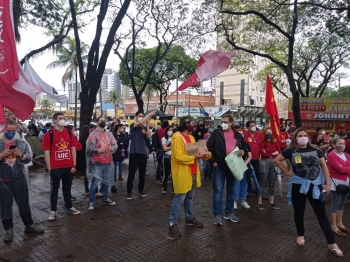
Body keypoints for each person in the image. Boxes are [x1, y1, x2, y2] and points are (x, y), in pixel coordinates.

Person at [274, 128, 344, 257]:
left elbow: (324, 166)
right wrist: (286, 171)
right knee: (299, 212)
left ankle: (332, 243)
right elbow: (277, 160)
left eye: (305, 135)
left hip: (315, 185)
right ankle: (300, 235)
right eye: (300, 136)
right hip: (298, 185)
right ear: (295, 138)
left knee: (321, 214)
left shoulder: (316, 150)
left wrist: (327, 183)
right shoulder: (291, 150)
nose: (303, 138)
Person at [0, 119, 44, 243]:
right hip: (3, 180)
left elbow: (28, 160)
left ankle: (29, 225)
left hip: (19, 178)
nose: (10, 133)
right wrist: (2, 155)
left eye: (13, 131)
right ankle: (8, 230)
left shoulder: (21, 143)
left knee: (23, 203)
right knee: (5, 206)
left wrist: (21, 155)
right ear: (3, 130)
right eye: (8, 130)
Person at [168, 116, 211, 238]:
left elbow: (196, 153)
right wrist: (195, 157)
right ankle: (172, 223)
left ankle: (189, 218)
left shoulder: (191, 137)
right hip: (182, 172)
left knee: (190, 197)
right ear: (186, 124)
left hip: (192, 171)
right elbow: (178, 156)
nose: (194, 124)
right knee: (179, 197)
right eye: (192, 122)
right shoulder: (177, 137)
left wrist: (206, 154)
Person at [42, 113, 81, 221]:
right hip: (56, 167)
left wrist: (74, 163)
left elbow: (73, 148)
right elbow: (46, 151)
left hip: (68, 166)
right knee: (54, 189)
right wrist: (49, 167)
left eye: (64, 118)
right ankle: (53, 210)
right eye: (60, 118)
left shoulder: (69, 133)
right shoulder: (49, 134)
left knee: (67, 187)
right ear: (54, 120)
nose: (63, 120)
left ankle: (69, 206)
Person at [207, 114, 245, 226]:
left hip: (233, 166)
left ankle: (229, 213)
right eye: (222, 121)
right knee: (218, 190)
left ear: (231, 123)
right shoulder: (216, 133)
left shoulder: (238, 135)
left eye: (225, 122)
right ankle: (217, 215)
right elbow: (209, 147)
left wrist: (243, 152)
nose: (223, 123)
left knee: (231, 191)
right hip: (219, 165)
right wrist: (213, 161)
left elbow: (243, 148)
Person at [86, 116, 117, 210]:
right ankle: (91, 201)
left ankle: (105, 198)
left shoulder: (109, 134)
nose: (103, 122)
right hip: (97, 162)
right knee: (95, 183)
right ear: (97, 122)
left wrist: (112, 148)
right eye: (101, 121)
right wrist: (100, 150)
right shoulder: (93, 134)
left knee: (106, 182)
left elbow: (115, 145)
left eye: (104, 121)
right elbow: (90, 149)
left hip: (108, 161)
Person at [126, 110, 155, 199]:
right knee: (131, 173)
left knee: (142, 173)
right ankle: (129, 192)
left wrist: (147, 124)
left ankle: (140, 190)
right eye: (140, 115)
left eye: (142, 116)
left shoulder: (144, 127)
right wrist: (149, 114)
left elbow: (149, 136)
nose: (141, 117)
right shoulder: (132, 125)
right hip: (134, 152)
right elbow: (140, 122)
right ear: (136, 117)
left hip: (143, 152)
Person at [326, 137, 350, 237]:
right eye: (340, 143)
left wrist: (344, 168)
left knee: (342, 203)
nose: (342, 145)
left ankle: (340, 223)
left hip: (346, 182)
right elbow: (340, 170)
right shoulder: (331, 155)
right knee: (336, 202)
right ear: (334, 145)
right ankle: (334, 225)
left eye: (343, 143)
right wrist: (345, 168)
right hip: (336, 183)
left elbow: (343, 169)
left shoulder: (346, 155)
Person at [257, 128, 281, 210]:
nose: (269, 134)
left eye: (270, 132)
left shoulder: (275, 142)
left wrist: (270, 154)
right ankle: (259, 202)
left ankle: (271, 202)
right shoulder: (261, 143)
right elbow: (263, 154)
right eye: (267, 133)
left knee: (272, 183)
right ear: (264, 134)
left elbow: (279, 152)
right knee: (262, 183)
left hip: (274, 163)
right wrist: (273, 153)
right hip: (264, 163)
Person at [234, 128, 252, 210]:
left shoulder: (246, 144)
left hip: (245, 166)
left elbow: (250, 156)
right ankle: (234, 200)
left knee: (244, 183)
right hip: (236, 166)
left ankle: (243, 200)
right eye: (239, 134)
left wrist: (244, 164)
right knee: (236, 183)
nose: (241, 135)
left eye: (242, 133)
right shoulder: (234, 144)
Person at [244, 121, 263, 193]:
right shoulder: (245, 134)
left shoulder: (259, 134)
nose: (254, 127)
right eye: (252, 126)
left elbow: (262, 144)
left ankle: (258, 189)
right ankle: (249, 190)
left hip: (257, 158)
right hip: (248, 158)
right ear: (248, 127)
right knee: (247, 174)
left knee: (258, 173)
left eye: (254, 125)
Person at [76, 125, 90, 196]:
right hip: (87, 160)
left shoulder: (81, 141)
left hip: (84, 161)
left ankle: (87, 190)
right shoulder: (87, 141)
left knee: (86, 176)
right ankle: (90, 190)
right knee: (89, 175)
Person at [161, 125, 173, 195]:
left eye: (171, 130)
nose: (170, 131)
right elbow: (164, 148)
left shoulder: (174, 138)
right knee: (165, 173)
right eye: (169, 130)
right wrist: (171, 147)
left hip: (173, 157)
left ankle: (174, 188)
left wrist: (168, 147)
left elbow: (175, 147)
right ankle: (164, 188)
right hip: (166, 157)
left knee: (173, 173)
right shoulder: (163, 139)